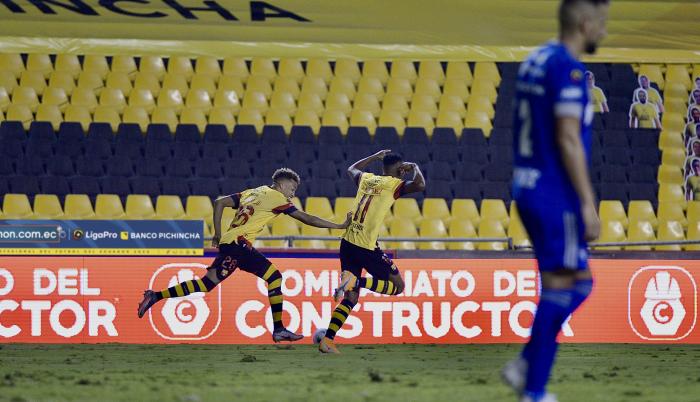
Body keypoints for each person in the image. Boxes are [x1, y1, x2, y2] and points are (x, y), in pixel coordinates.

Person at [502, 1, 607, 402]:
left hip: (527, 183)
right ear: (585, 22)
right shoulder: (568, 68)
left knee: (577, 284)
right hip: (553, 191)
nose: (603, 31)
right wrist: (587, 202)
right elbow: (566, 137)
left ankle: (527, 366)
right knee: (567, 286)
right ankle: (533, 389)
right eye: (601, 23)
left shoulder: (536, 59)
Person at [137, 168, 352, 343]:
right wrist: (339, 225)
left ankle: (155, 296)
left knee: (206, 285)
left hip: (230, 243)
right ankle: (279, 329)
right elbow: (307, 219)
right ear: (282, 183)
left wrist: (218, 234)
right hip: (239, 245)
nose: (293, 193)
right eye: (292, 188)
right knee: (274, 277)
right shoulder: (277, 197)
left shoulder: (253, 192)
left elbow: (219, 202)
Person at [318, 150, 425, 354]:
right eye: (401, 168)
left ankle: (328, 341)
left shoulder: (367, 179)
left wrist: (375, 156)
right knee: (398, 286)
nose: (403, 171)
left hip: (347, 243)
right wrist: (415, 167)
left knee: (351, 299)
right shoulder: (393, 184)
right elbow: (420, 185)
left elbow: (351, 169)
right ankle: (357, 282)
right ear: (399, 168)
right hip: (366, 246)